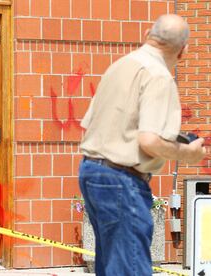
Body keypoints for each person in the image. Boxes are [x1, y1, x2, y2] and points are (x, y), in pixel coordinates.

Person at [79, 14, 206, 276]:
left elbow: (91, 123)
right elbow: (149, 140)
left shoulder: (119, 66)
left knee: (112, 266)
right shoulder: (159, 76)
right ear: (183, 51)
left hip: (91, 172)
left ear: (147, 33)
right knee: (131, 268)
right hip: (123, 179)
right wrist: (188, 153)